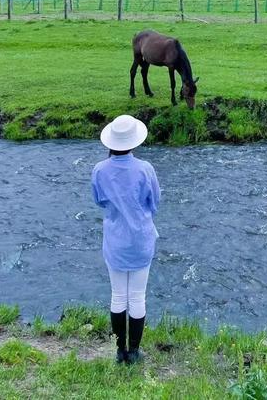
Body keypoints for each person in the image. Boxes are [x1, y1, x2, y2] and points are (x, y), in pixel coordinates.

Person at [91, 114, 160, 364]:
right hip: (141, 239)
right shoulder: (145, 169)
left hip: (115, 240)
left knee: (118, 295)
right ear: (135, 142)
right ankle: (134, 351)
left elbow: (98, 200)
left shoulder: (100, 170)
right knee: (138, 296)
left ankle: (120, 351)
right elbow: (155, 202)